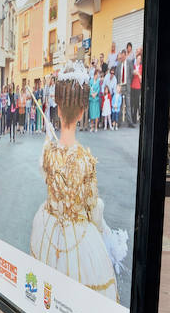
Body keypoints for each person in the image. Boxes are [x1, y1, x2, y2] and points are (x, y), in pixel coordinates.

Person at [30, 60, 126, 300]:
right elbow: (92, 210)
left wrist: (49, 144)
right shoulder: (85, 160)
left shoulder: (47, 151)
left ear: (58, 108)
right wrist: (104, 232)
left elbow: (46, 174)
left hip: (47, 226)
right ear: (84, 111)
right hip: (79, 237)